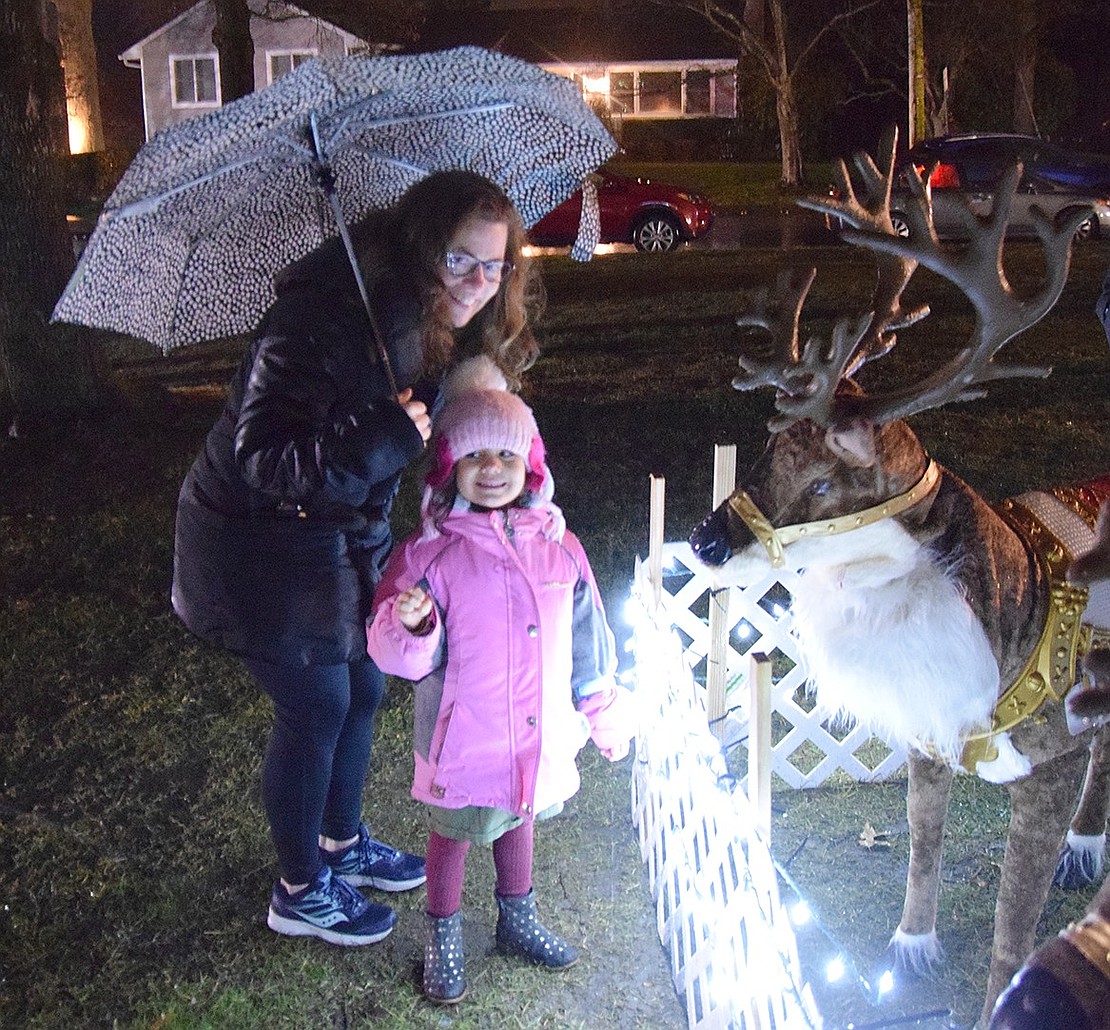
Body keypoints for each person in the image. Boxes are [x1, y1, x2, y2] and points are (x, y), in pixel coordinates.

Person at [171, 171, 543, 946]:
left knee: (369, 681)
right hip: (256, 539)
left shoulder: (417, 316)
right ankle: (300, 889)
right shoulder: (318, 320)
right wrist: (380, 437)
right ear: (419, 248)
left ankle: (342, 842)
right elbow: (264, 457)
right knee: (317, 707)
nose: (480, 282)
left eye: (496, 265)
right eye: (461, 260)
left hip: (337, 532)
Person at [366, 363, 636, 1003]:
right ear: (449, 467)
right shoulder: (430, 554)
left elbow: (589, 637)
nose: (492, 469)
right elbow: (399, 657)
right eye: (475, 455)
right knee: (455, 835)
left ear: (531, 463)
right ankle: (444, 934)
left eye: (507, 454)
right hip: (464, 739)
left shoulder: (560, 547)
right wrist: (415, 623)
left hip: (534, 735)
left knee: (521, 818)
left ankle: (518, 918)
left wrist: (599, 708)